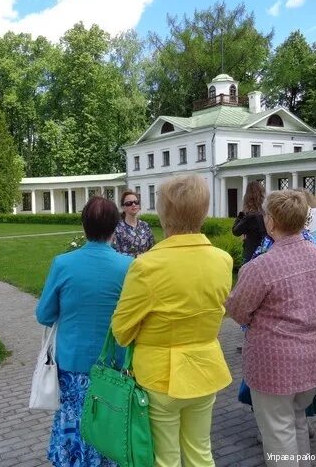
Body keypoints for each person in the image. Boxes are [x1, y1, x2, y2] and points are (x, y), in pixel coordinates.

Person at [112, 174, 232, 467]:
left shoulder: (147, 266)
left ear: (163, 213)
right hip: (205, 368)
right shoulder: (222, 260)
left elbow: (122, 331)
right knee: (201, 453)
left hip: (159, 376)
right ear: (203, 212)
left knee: (165, 459)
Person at [226, 190, 316, 467]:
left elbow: (238, 311)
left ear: (271, 221)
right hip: (312, 357)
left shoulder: (261, 267)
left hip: (275, 363)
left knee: (277, 431)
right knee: (297, 420)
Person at [36, 196, 133, 467]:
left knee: (74, 419)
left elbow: (44, 314)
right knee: (109, 423)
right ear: (116, 226)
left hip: (72, 361)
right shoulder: (128, 266)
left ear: (84, 225)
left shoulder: (63, 264)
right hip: (114, 365)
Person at [112, 190, 155, 257]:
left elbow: (152, 248)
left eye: (136, 202)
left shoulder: (145, 226)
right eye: (129, 203)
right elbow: (115, 253)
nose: (133, 204)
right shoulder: (117, 228)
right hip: (127, 266)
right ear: (123, 207)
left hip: (145, 265)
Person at [232, 181, 267, 263]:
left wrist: (241, 215)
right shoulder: (266, 214)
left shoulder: (250, 217)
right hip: (265, 252)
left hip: (251, 254)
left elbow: (235, 231)